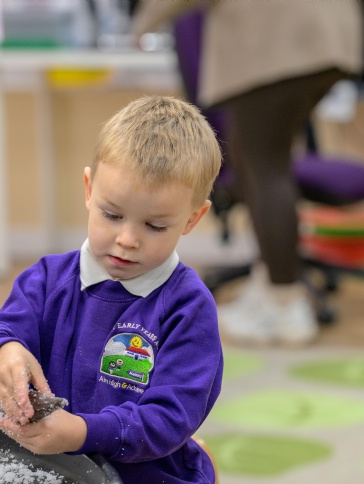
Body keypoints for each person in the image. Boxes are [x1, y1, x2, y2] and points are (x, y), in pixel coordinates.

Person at [0, 95, 224, 484]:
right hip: (46, 479)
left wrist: (82, 432)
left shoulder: (188, 307)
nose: (127, 239)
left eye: (155, 226)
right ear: (88, 190)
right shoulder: (47, 280)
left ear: (192, 219)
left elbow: (170, 419)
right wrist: (2, 354)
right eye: (112, 215)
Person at [133, 1, 364, 345]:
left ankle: (285, 304)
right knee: (256, 158)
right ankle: (270, 281)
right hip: (332, 30)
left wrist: (141, 24)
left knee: (265, 166)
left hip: (278, 37)